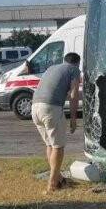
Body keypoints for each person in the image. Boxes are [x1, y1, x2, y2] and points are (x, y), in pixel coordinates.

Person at [31, 52, 82, 193]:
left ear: (64, 60)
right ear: (78, 63)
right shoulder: (74, 70)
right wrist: (73, 119)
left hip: (34, 107)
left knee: (50, 145)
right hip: (50, 108)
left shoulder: (52, 68)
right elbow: (74, 95)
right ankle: (52, 184)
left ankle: (59, 179)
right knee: (58, 147)